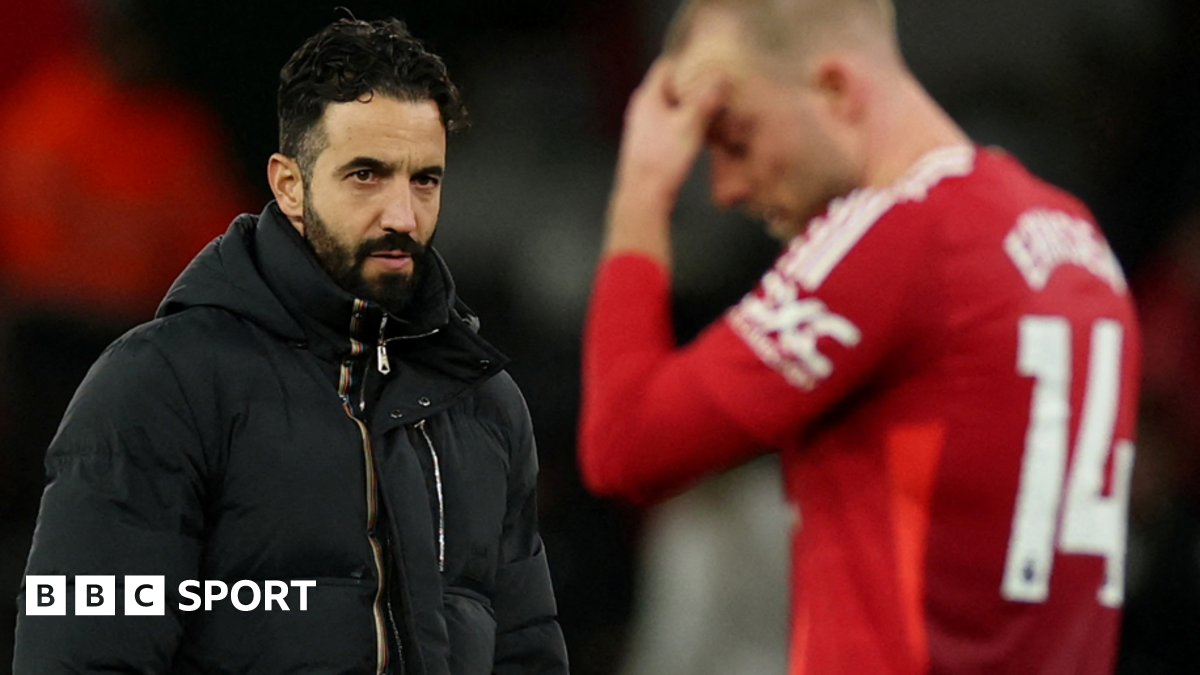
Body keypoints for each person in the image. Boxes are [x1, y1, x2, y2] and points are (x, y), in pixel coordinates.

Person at [578, 0, 1141, 673]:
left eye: (737, 139)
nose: (725, 188)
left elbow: (625, 445)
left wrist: (642, 187)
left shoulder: (902, 231)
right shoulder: (1078, 240)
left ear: (836, 90)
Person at [15, 18, 568, 675]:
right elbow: (80, 656)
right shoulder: (158, 387)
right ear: (289, 186)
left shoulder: (484, 404)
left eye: (425, 179)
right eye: (366, 174)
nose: (402, 214)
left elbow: (528, 652)